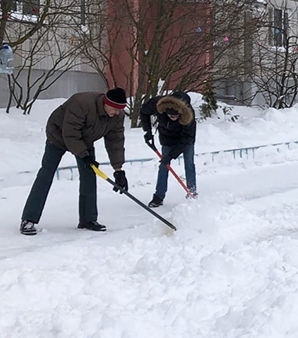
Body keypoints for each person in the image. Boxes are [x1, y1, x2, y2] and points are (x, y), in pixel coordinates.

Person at [20, 88, 129, 235]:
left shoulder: (117, 116)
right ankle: (28, 219)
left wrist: (119, 170)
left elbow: (115, 141)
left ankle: (87, 219)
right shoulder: (82, 103)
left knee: (89, 175)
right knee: (46, 173)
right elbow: (70, 134)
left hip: (85, 138)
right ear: (106, 102)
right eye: (115, 108)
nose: (117, 112)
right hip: (58, 135)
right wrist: (84, 155)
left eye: (120, 109)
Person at [139, 91, 197, 207]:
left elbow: (188, 139)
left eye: (176, 116)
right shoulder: (158, 104)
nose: (173, 118)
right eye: (171, 116)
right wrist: (148, 131)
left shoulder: (188, 114)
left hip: (185, 140)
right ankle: (158, 197)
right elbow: (144, 111)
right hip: (167, 138)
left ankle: (192, 192)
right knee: (163, 166)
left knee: (189, 164)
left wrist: (171, 156)